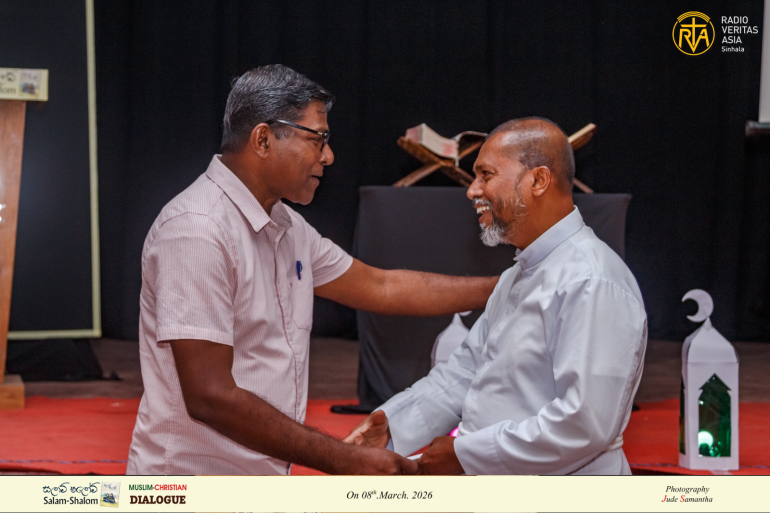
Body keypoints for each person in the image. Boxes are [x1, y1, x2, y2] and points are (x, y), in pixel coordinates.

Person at [126, 65, 499, 476]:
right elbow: (210, 395)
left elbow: (381, 286)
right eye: (317, 139)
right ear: (263, 139)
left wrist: (506, 286)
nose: (328, 156)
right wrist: (343, 459)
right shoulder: (197, 229)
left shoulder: (287, 225)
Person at [345, 117, 648, 475]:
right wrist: (392, 426)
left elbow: (584, 426)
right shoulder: (519, 274)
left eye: (485, 175)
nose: (472, 191)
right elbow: (466, 372)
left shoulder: (592, 279)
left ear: (538, 180)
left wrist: (466, 455)